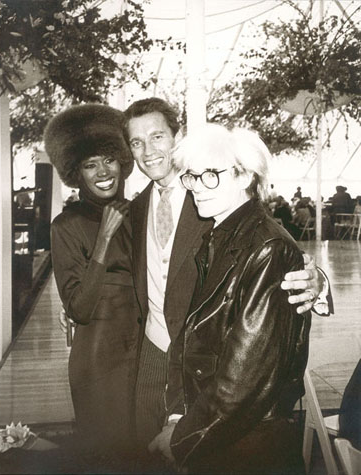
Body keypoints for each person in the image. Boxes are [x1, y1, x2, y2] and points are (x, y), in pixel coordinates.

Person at [123, 97, 331, 468]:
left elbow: (246, 369)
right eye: (136, 142)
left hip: (228, 412)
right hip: (167, 366)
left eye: (157, 137)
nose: (198, 185)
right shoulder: (138, 211)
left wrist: (318, 282)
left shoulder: (224, 214)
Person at [44, 104, 139, 471]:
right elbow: (80, 310)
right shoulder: (65, 225)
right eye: (90, 165)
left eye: (109, 159)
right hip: (100, 363)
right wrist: (103, 240)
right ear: (76, 173)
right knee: (106, 460)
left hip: (146, 354)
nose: (103, 172)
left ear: (122, 161)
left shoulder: (142, 212)